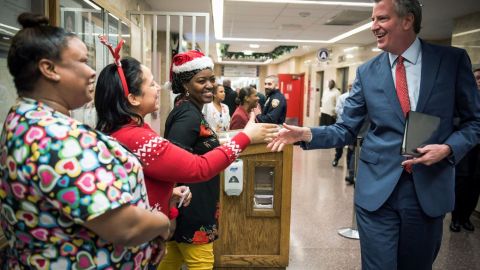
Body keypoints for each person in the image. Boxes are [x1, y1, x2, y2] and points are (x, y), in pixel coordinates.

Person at [268, 0, 480, 269]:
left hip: (427, 189)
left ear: (407, 20)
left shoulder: (451, 61)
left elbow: (475, 121)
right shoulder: (367, 72)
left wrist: (448, 149)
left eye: (381, 19)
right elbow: (345, 129)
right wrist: (306, 134)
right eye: (372, 20)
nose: (373, 27)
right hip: (377, 190)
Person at [0, 13, 171, 269]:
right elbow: (125, 227)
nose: (92, 71)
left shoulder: (24, 116)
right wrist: (161, 221)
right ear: (49, 69)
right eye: (82, 61)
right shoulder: (53, 137)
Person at [95, 49, 275, 237]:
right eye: (151, 84)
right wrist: (246, 137)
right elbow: (199, 167)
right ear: (132, 98)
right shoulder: (139, 138)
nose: (158, 88)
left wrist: (167, 194)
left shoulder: (128, 132)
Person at [157, 50, 276, 270]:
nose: (210, 85)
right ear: (185, 84)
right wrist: (172, 212)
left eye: (212, 79)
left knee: (171, 260)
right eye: (201, 81)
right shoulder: (188, 115)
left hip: (189, 204)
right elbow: (173, 163)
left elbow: (195, 149)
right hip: (191, 207)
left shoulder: (189, 109)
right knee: (201, 263)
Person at [449, 67, 480, 232]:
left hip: (478, 151)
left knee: (475, 184)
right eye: (478, 77)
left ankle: (466, 217)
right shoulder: (463, 98)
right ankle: (455, 218)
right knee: (461, 182)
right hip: (465, 148)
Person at [335, 84, 355, 184]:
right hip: (343, 124)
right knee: (339, 146)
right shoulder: (342, 97)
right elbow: (337, 109)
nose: (352, 88)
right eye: (350, 87)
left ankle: (350, 170)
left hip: (354, 128)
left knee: (352, 149)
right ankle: (336, 158)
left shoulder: (358, 98)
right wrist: (350, 113)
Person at [321, 80, 342, 166]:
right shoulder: (325, 90)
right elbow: (322, 100)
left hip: (331, 114)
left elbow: (338, 104)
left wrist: (335, 113)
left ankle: (329, 142)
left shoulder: (337, 92)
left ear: (334, 84)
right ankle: (323, 141)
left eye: (331, 83)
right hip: (324, 112)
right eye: (329, 83)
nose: (329, 84)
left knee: (330, 129)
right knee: (323, 128)